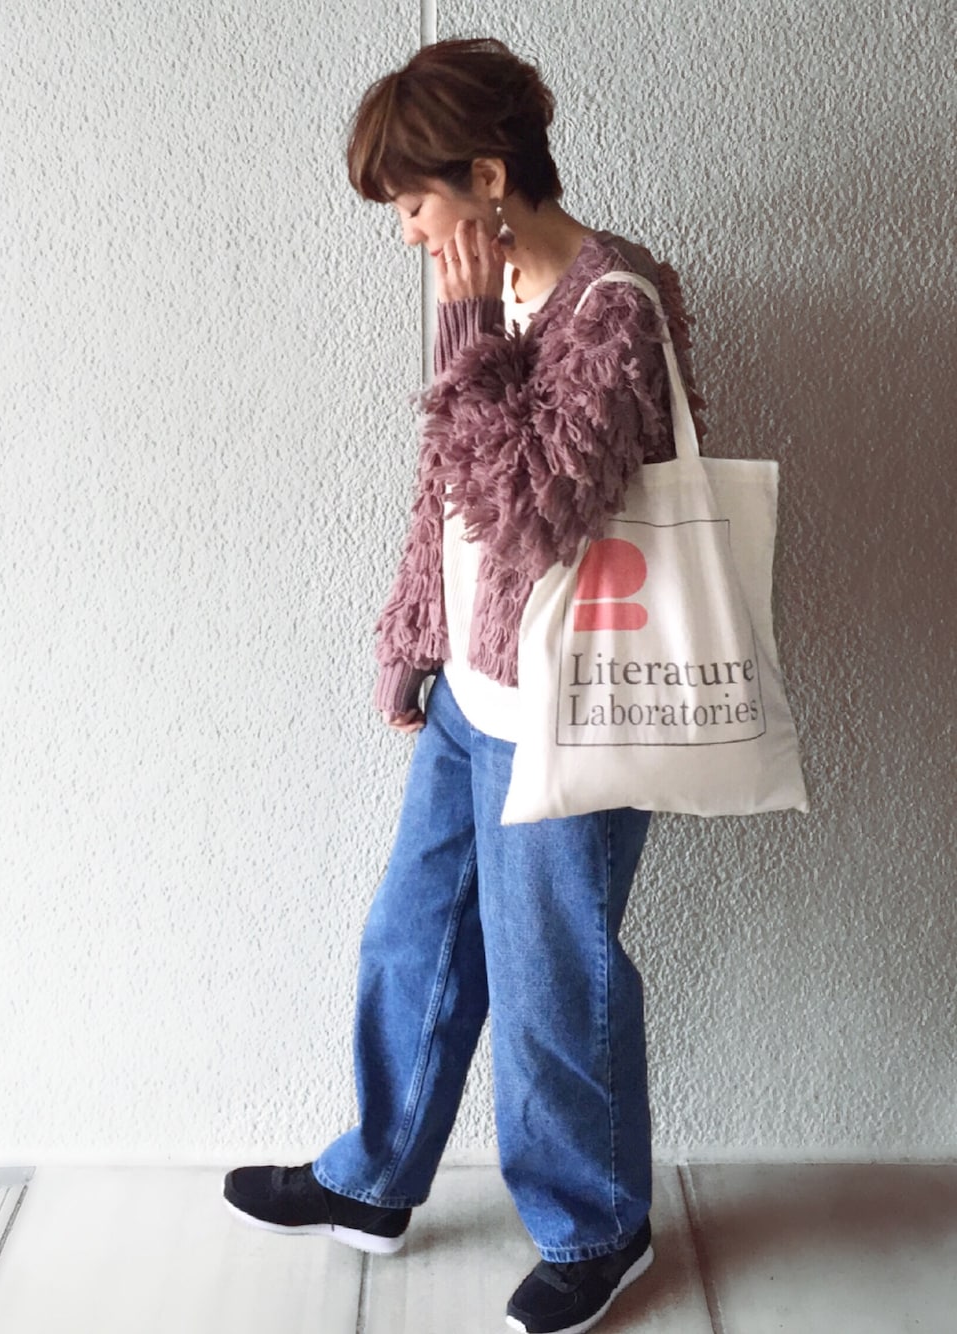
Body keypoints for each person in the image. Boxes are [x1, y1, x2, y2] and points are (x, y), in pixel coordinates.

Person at [224, 37, 704, 1334]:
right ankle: (374, 1175)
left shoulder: (615, 306)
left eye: (412, 203)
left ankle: (598, 1225)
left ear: (488, 178)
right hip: (469, 703)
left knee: (551, 983)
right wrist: (413, 636)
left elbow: (533, 511)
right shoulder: (497, 305)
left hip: (569, 711)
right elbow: (445, 497)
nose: (404, 233)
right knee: (413, 940)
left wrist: (471, 332)